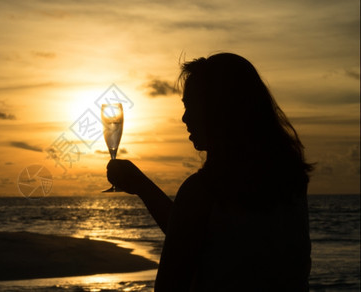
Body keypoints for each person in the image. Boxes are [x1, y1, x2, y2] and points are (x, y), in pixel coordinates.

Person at [107, 53, 312, 291]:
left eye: (191, 106)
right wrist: (143, 187)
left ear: (220, 110)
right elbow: (205, 236)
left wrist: (143, 186)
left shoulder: (202, 191)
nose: (185, 117)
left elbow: (172, 279)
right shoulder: (290, 184)